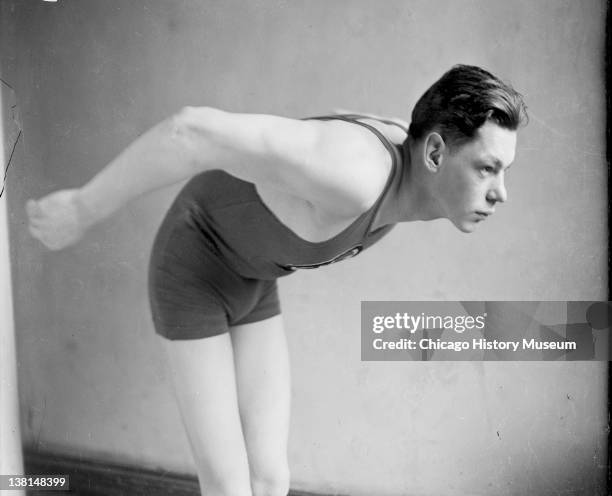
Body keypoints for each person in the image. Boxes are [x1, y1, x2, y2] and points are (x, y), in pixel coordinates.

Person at [26, 64, 527, 496]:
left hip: (253, 277)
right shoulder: (355, 175)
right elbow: (192, 131)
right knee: (228, 487)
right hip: (194, 268)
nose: (501, 192)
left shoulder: (408, 155)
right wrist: (82, 208)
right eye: (488, 168)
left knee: (269, 479)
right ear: (436, 154)